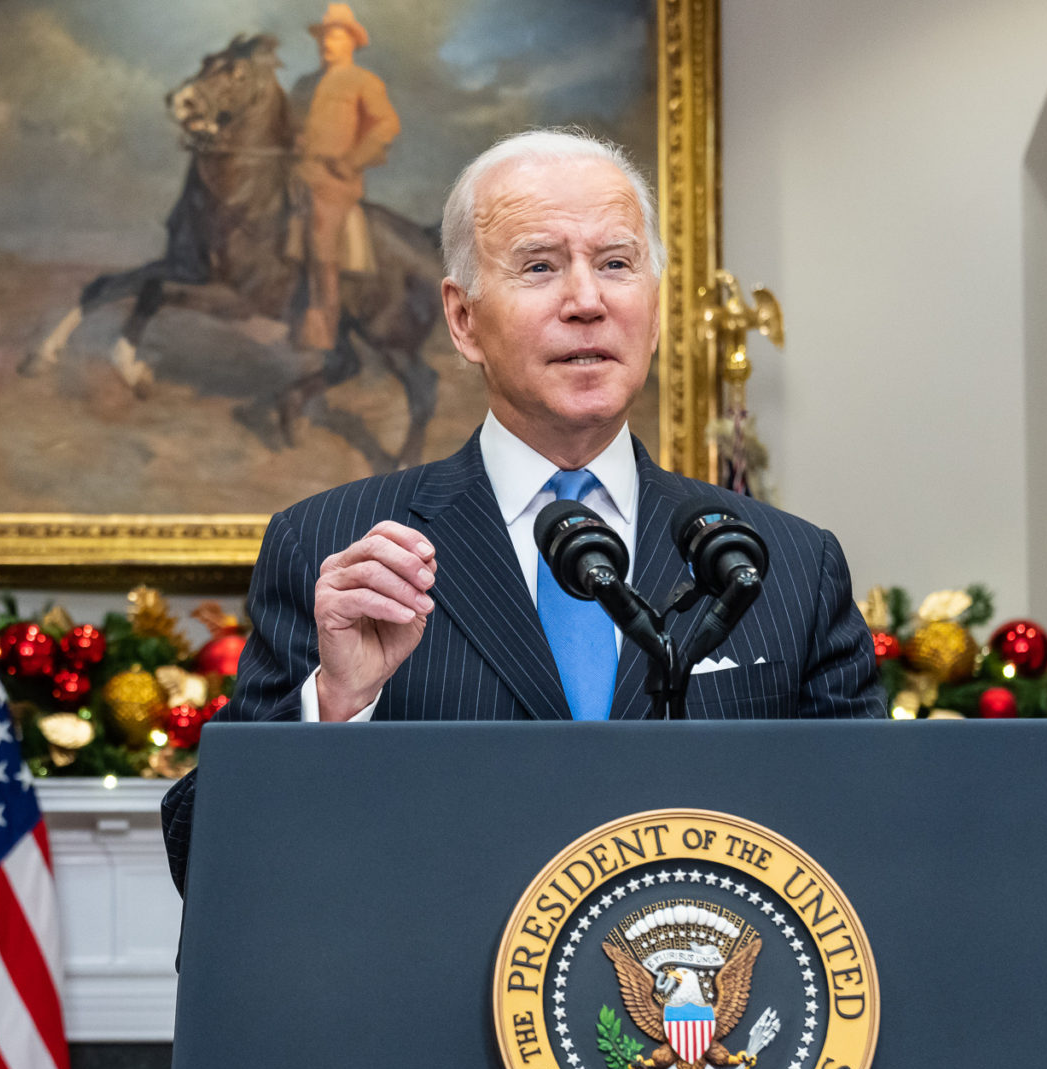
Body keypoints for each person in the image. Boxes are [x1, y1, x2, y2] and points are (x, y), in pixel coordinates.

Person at [161, 128, 881, 886]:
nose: (587, 301)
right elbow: (206, 857)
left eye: (616, 264)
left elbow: (875, 841)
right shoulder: (335, 547)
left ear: (657, 309)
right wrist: (336, 704)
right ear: (463, 320)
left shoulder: (787, 565)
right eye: (540, 266)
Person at [292, 3, 400, 350]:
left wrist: (353, 160)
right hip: (294, 173)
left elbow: (387, 124)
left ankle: (322, 324)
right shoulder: (304, 84)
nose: (327, 44)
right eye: (324, 37)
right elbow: (290, 125)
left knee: (320, 240)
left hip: (333, 181)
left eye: (336, 37)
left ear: (352, 42)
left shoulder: (363, 81)